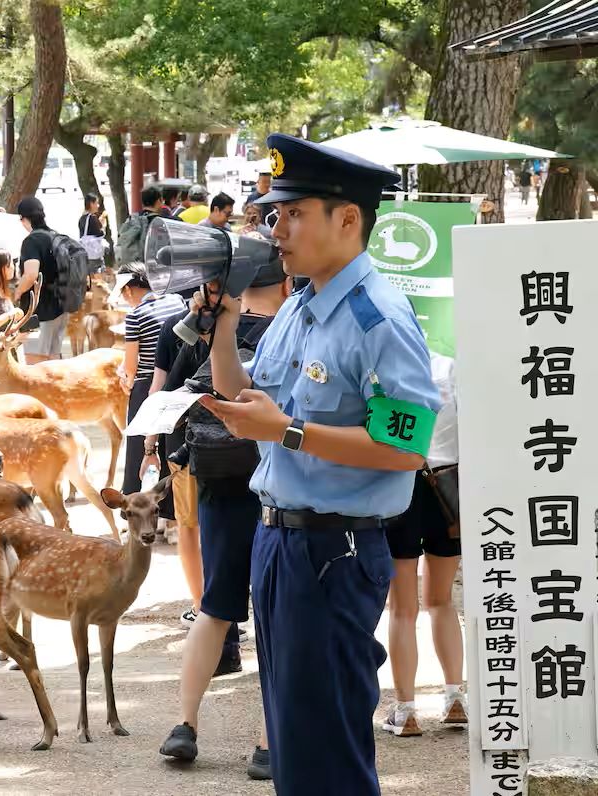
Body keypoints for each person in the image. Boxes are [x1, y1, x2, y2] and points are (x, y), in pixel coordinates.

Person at [196, 133, 439, 795]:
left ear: (348, 219)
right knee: (293, 743)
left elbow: (407, 443)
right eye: (275, 214)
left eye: (294, 212)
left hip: (334, 551)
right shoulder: (301, 306)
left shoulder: (376, 318)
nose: (278, 229)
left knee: (326, 748)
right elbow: (249, 396)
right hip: (278, 541)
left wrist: (292, 432)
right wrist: (221, 324)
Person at [157, 263, 292, 779]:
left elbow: (178, 386)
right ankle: (266, 743)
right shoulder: (292, 333)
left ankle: (184, 725)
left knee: (214, 608)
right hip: (272, 487)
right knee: (274, 618)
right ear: (285, 284)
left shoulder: (210, 331)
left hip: (217, 487)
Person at [382, 351, 465, 737]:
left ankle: (406, 710)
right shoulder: (451, 367)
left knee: (403, 608)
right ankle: (454, 698)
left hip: (401, 487)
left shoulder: (386, 372)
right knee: (442, 599)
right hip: (449, 488)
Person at [117, 262, 184, 495]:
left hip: (148, 384)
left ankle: (135, 501)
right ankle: (171, 507)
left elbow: (131, 366)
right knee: (173, 445)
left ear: (128, 290)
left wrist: (125, 379)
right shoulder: (176, 301)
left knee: (139, 446)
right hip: (180, 381)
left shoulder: (135, 316)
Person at [12, 196, 68, 363]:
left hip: (39, 311)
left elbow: (31, 274)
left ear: (24, 218)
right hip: (60, 307)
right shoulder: (56, 236)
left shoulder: (32, 241)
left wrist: (18, 291)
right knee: (54, 360)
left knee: (36, 364)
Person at [78, 193, 106, 271]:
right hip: (94, 255)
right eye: (96, 203)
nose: (98, 205)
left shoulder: (82, 219)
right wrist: (103, 226)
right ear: (91, 204)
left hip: (85, 255)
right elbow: (100, 234)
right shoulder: (92, 218)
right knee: (98, 277)